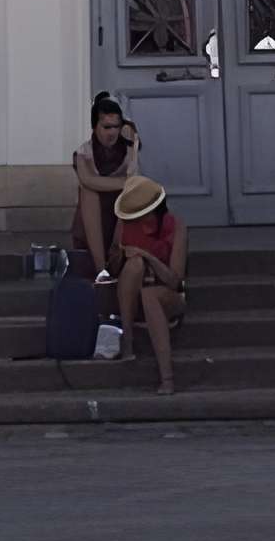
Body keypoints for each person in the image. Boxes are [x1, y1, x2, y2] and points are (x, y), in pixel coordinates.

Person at [109, 174, 189, 395]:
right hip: (132, 291)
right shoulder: (124, 225)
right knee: (134, 266)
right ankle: (128, 339)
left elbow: (175, 281)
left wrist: (149, 257)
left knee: (150, 295)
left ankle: (167, 378)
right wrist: (120, 254)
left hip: (166, 294)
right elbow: (113, 266)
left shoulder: (175, 227)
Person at [72, 95, 142, 276]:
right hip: (92, 222)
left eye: (116, 127)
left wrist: (133, 142)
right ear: (95, 127)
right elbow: (88, 180)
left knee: (129, 196)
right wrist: (122, 183)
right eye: (106, 127)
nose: (112, 132)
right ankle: (100, 269)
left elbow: (134, 183)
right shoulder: (84, 152)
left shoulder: (127, 150)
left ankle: (115, 256)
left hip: (120, 220)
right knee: (89, 193)